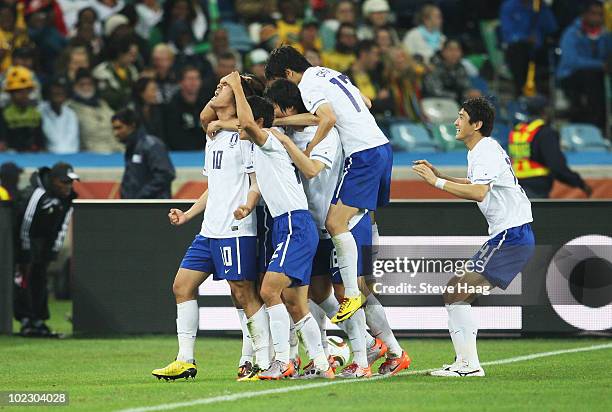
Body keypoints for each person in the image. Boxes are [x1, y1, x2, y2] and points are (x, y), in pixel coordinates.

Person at [264, 78, 410, 378]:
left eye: (277, 110)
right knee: (317, 292)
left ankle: (368, 357)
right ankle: (357, 350)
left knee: (353, 292)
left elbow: (312, 168)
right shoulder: (284, 131)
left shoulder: (327, 136)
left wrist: (288, 137)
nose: (275, 117)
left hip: (345, 224)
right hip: (313, 227)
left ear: (289, 107)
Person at [265, 46, 392, 326]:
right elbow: (367, 102)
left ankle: (352, 294)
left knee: (335, 223)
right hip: (382, 146)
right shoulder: (331, 74)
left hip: (363, 153)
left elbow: (328, 118)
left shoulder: (308, 83)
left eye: (280, 83)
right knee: (356, 216)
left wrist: (311, 144)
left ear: (288, 73)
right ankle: (362, 281)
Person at [152, 74, 265, 382]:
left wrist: (237, 85)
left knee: (243, 292)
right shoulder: (213, 135)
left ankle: (252, 358)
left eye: (223, 86)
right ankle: (185, 359)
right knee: (182, 286)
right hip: (209, 230)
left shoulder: (245, 137)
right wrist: (189, 215)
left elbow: (255, 181)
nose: (216, 89)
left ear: (241, 94)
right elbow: (214, 186)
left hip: (236, 228)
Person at [412, 97, 535, 377]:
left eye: (461, 117)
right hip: (510, 235)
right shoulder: (482, 150)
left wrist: (436, 183)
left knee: (456, 291)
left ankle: (468, 366)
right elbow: (477, 183)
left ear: (476, 124)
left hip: (511, 235)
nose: (455, 122)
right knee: (457, 293)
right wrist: (441, 174)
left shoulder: (485, 150)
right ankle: (465, 362)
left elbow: (480, 192)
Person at [226, 71, 332, 380]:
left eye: (246, 122)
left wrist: (236, 87)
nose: (239, 126)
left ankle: (282, 362)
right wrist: (248, 203)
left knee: (269, 289)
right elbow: (260, 183)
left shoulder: (270, 138)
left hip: (294, 225)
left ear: (259, 122)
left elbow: (246, 123)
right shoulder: (266, 148)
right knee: (295, 303)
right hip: (290, 224)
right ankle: (322, 365)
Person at [13, 162, 79, 337]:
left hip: (44, 243)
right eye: (64, 182)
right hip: (26, 241)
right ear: (54, 180)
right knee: (24, 281)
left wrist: (53, 250)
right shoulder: (37, 194)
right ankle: (26, 319)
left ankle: (39, 320)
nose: (68, 186)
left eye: (70, 182)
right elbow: (25, 223)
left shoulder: (67, 198)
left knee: (40, 280)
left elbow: (63, 226)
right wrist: (24, 253)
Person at [508, 96, 592, 198]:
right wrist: (580, 183)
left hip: (514, 188)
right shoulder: (545, 133)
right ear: (545, 111)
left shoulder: (516, 131)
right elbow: (557, 167)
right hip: (536, 190)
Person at [557, 1, 611, 132]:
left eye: (600, 14)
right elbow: (572, 61)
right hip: (570, 76)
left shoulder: (605, 36)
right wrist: (600, 65)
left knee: (596, 78)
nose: (597, 18)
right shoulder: (572, 33)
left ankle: (601, 124)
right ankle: (595, 126)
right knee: (591, 77)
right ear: (585, 15)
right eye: (593, 14)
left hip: (597, 76)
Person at [112, 108, 175, 199]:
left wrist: (141, 196)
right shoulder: (132, 147)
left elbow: (166, 174)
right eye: (114, 129)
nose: (116, 133)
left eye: (119, 128)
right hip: (136, 207)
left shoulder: (152, 145)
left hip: (153, 208)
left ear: (132, 125)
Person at [500, 0, 558, 97]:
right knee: (518, 50)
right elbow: (507, 33)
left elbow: (552, 28)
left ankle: (551, 94)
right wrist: (525, 38)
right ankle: (521, 93)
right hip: (518, 49)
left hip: (539, 50)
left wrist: (543, 9)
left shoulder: (538, 6)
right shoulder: (510, 6)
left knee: (553, 50)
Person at [68, 68, 123, 153]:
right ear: (75, 87)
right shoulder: (70, 108)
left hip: (115, 151)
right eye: (82, 84)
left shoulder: (103, 104)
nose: (86, 87)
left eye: (90, 84)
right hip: (91, 156)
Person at [0, 66, 45, 152]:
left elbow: (40, 142)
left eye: (26, 90)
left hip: (34, 158)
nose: (23, 94)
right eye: (18, 91)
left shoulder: (35, 113)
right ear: (11, 93)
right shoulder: (3, 114)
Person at [423, 39, 482, 104]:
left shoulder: (460, 68)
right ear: (443, 52)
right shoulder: (433, 66)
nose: (454, 53)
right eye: (450, 50)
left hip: (455, 103)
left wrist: (470, 94)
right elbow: (436, 92)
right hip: (434, 104)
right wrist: (462, 96)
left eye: (457, 50)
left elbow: (465, 86)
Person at [346, 40, 394, 116]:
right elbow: (355, 105)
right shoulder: (345, 78)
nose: (377, 59)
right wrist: (377, 100)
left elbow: (389, 103)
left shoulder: (377, 75)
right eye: (375, 54)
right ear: (363, 54)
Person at [163, 66, 206, 151]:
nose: (194, 82)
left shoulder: (206, 104)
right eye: (190, 79)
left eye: (196, 78)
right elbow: (172, 135)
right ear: (181, 82)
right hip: (179, 154)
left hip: (203, 152)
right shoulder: (172, 106)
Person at [92, 38, 139, 111]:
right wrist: (130, 93)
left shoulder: (132, 70)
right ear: (121, 54)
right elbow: (109, 97)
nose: (133, 59)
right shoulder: (101, 71)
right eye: (131, 55)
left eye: (135, 55)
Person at [40, 79, 80, 154]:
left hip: (71, 158)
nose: (59, 92)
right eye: (55, 89)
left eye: (62, 90)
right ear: (48, 92)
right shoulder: (39, 111)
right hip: (47, 158)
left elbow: (72, 143)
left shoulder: (71, 114)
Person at [132, 77, 165, 141]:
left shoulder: (158, 110)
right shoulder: (132, 111)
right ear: (142, 93)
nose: (156, 94)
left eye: (156, 90)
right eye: (153, 90)